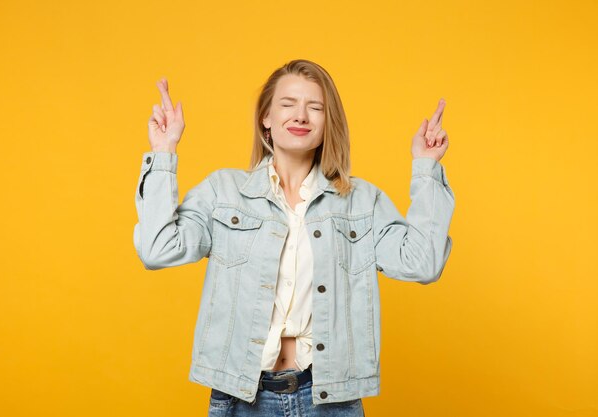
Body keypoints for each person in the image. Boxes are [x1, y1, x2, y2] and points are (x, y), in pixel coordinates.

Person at [133, 59, 455, 417]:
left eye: (315, 107)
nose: (301, 116)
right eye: (288, 104)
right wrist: (163, 153)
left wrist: (426, 169)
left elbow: (422, 264)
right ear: (265, 119)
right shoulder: (223, 192)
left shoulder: (362, 202)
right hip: (241, 396)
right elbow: (157, 249)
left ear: (327, 122)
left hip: (330, 400)